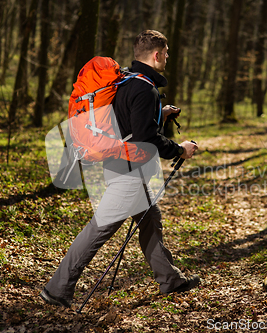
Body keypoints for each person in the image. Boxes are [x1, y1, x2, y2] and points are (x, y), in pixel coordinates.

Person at [40, 30, 200, 308]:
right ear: (157, 54)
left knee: (150, 220)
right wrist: (179, 149)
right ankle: (57, 288)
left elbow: (128, 125)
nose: (167, 58)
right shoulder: (145, 89)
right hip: (129, 174)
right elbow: (145, 139)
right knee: (99, 229)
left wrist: (160, 114)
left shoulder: (124, 81)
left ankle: (170, 279)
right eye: (167, 53)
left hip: (119, 167)